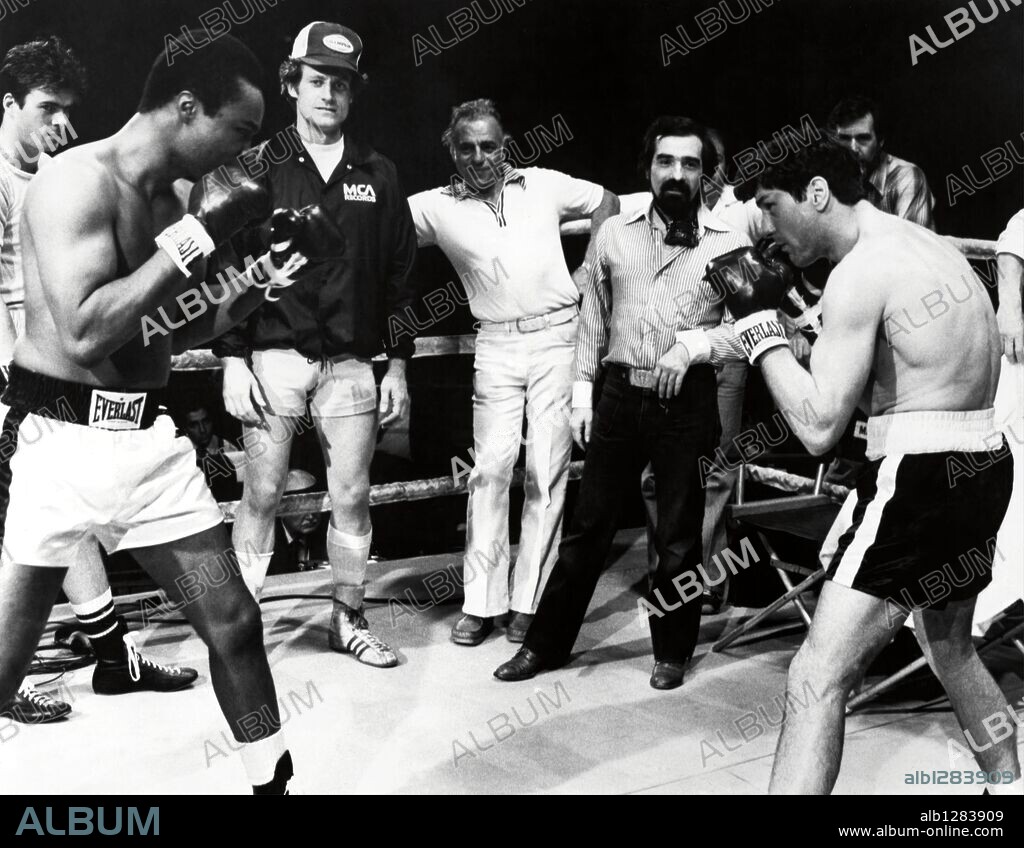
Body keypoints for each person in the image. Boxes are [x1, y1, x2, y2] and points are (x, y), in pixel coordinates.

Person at [0, 32, 327, 794]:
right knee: (6, 661)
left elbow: (176, 326)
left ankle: (271, 789)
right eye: (238, 132)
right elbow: (86, 332)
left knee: (236, 625)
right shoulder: (72, 182)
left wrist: (261, 277)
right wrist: (194, 237)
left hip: (148, 445)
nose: (236, 155)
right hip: (60, 443)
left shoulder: (178, 200)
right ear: (187, 107)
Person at [722, 137, 1019, 794]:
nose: (767, 228)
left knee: (814, 678)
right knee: (951, 649)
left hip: (918, 480)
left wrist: (758, 328)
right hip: (983, 463)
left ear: (819, 193)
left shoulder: (859, 271)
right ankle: (1008, 791)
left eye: (772, 206)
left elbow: (819, 426)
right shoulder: (927, 245)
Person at [494, 116, 749, 691]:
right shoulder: (614, 234)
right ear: (649, 169)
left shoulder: (730, 243)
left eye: (689, 164)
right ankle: (545, 646)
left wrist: (694, 346)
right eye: (666, 162)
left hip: (687, 401)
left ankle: (672, 651)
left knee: (679, 537)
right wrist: (582, 392)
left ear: (705, 174)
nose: (677, 174)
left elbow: (753, 328)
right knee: (587, 530)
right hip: (617, 394)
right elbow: (593, 316)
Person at [0, 36, 197, 726]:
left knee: (59, 518)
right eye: (48, 108)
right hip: (16, 376)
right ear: (9, 104)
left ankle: (112, 652)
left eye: (68, 111)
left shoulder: (61, 176)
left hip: (50, 385)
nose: (61, 125)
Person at [213, 22, 417, 668]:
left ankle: (348, 618)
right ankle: (241, 628)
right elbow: (229, 269)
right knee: (263, 493)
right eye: (318, 80)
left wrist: (400, 366)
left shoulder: (378, 174)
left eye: (342, 84)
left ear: (354, 93)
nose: (329, 94)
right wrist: (230, 359)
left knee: (352, 494)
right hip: (275, 356)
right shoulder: (257, 168)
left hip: (352, 362)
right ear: (292, 82)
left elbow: (399, 276)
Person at [408, 98, 617, 646]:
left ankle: (530, 603)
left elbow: (607, 200)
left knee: (546, 474)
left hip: (558, 337)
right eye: (468, 148)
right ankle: (481, 604)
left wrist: (590, 266)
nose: (481, 158)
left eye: (490, 146)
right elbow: (376, 226)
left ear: (506, 145)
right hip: (496, 344)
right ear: (452, 152)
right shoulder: (434, 205)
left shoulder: (542, 183)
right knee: (491, 470)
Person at [826, 95, 935, 230]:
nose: (853, 148)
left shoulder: (905, 176)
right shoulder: (828, 176)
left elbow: (910, 247)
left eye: (863, 138)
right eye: (844, 138)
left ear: (880, 141)